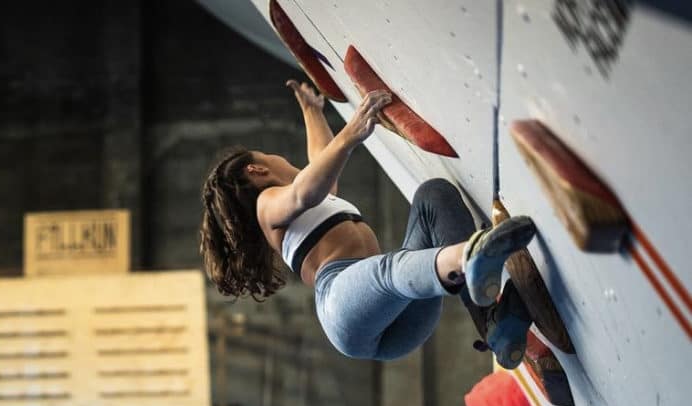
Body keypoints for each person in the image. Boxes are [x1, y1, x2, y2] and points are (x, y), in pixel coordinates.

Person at [198, 81, 539, 368]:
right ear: (256, 170)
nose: (281, 159)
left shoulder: (314, 197)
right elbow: (305, 190)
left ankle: (492, 323)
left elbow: (321, 163)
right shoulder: (267, 205)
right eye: (270, 157)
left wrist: (312, 111)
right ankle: (470, 256)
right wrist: (352, 131)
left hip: (400, 312)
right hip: (345, 309)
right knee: (388, 270)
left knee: (433, 195)